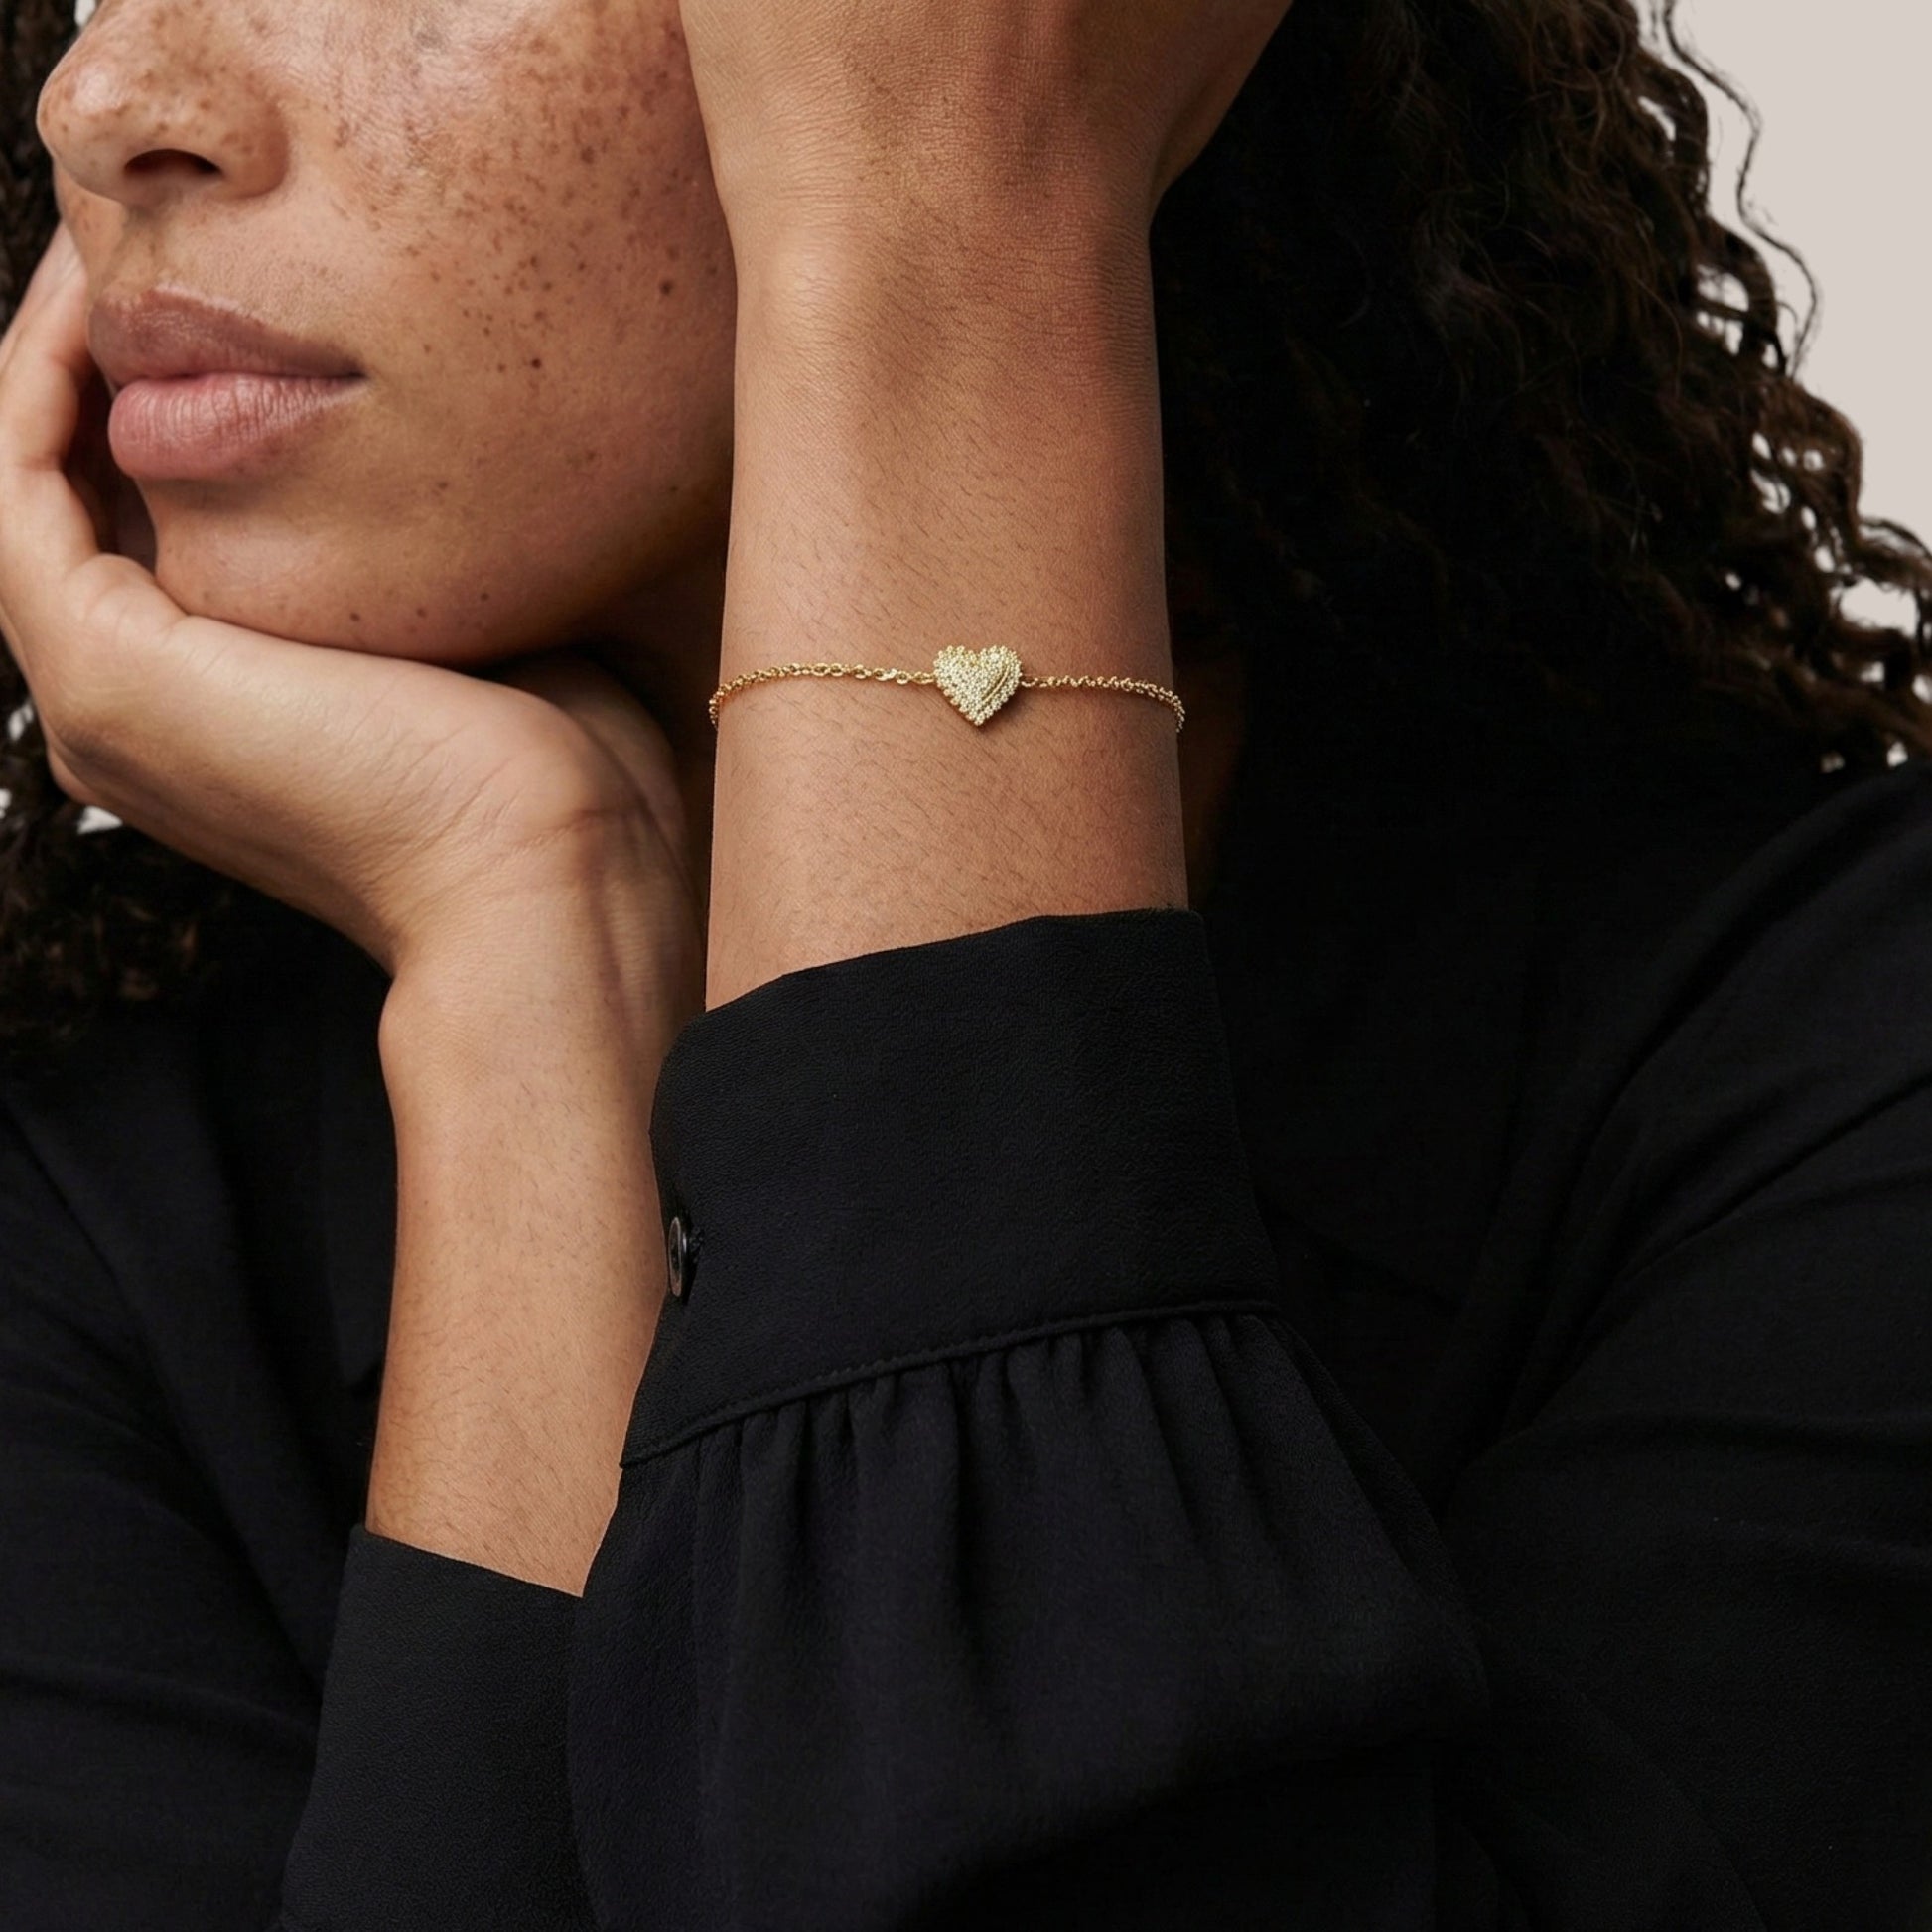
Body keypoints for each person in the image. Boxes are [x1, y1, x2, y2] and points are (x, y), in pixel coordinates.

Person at [0, 0, 1929, 1923]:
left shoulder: (1837, 1063)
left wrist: (946, 240)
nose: (104, 101)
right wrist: (529, 969)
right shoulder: (83, 1228)